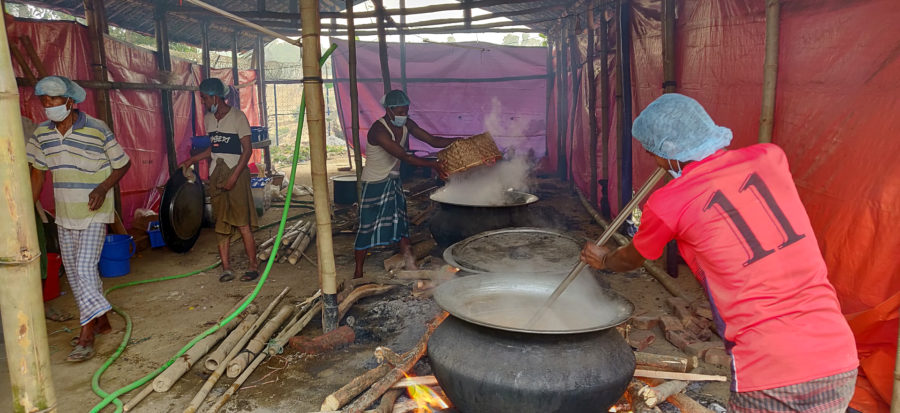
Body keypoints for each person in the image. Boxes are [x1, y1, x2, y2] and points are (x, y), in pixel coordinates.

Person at [581, 94, 858, 412]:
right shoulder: (769, 158)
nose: (655, 161)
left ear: (667, 152)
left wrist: (603, 259)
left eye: (653, 153)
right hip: (837, 355)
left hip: (770, 368)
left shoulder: (669, 202)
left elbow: (632, 257)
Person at [26, 76, 131, 362]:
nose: (48, 105)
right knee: (75, 275)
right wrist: (26, 207)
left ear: (70, 102)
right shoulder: (41, 134)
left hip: (95, 212)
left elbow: (123, 163)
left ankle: (86, 336)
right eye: (44, 101)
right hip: (65, 214)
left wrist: (103, 187)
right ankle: (103, 318)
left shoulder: (98, 129)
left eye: (54, 100)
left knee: (84, 269)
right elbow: (37, 172)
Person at [354, 90, 454, 279]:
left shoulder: (406, 122)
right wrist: (433, 164)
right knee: (367, 227)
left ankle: (411, 265)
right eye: (399, 111)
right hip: (374, 182)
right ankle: (358, 272)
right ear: (389, 110)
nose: (403, 115)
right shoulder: (378, 130)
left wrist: (461, 141)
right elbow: (404, 156)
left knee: (401, 223)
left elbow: (432, 141)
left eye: (405, 111)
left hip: (392, 180)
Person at [179, 78, 259, 282]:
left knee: (242, 223)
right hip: (217, 175)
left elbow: (247, 150)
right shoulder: (208, 119)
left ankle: (253, 265)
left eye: (205, 98)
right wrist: (191, 160)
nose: (204, 102)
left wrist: (233, 178)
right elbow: (214, 148)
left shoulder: (237, 117)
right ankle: (226, 267)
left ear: (215, 97)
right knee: (221, 222)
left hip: (236, 174)